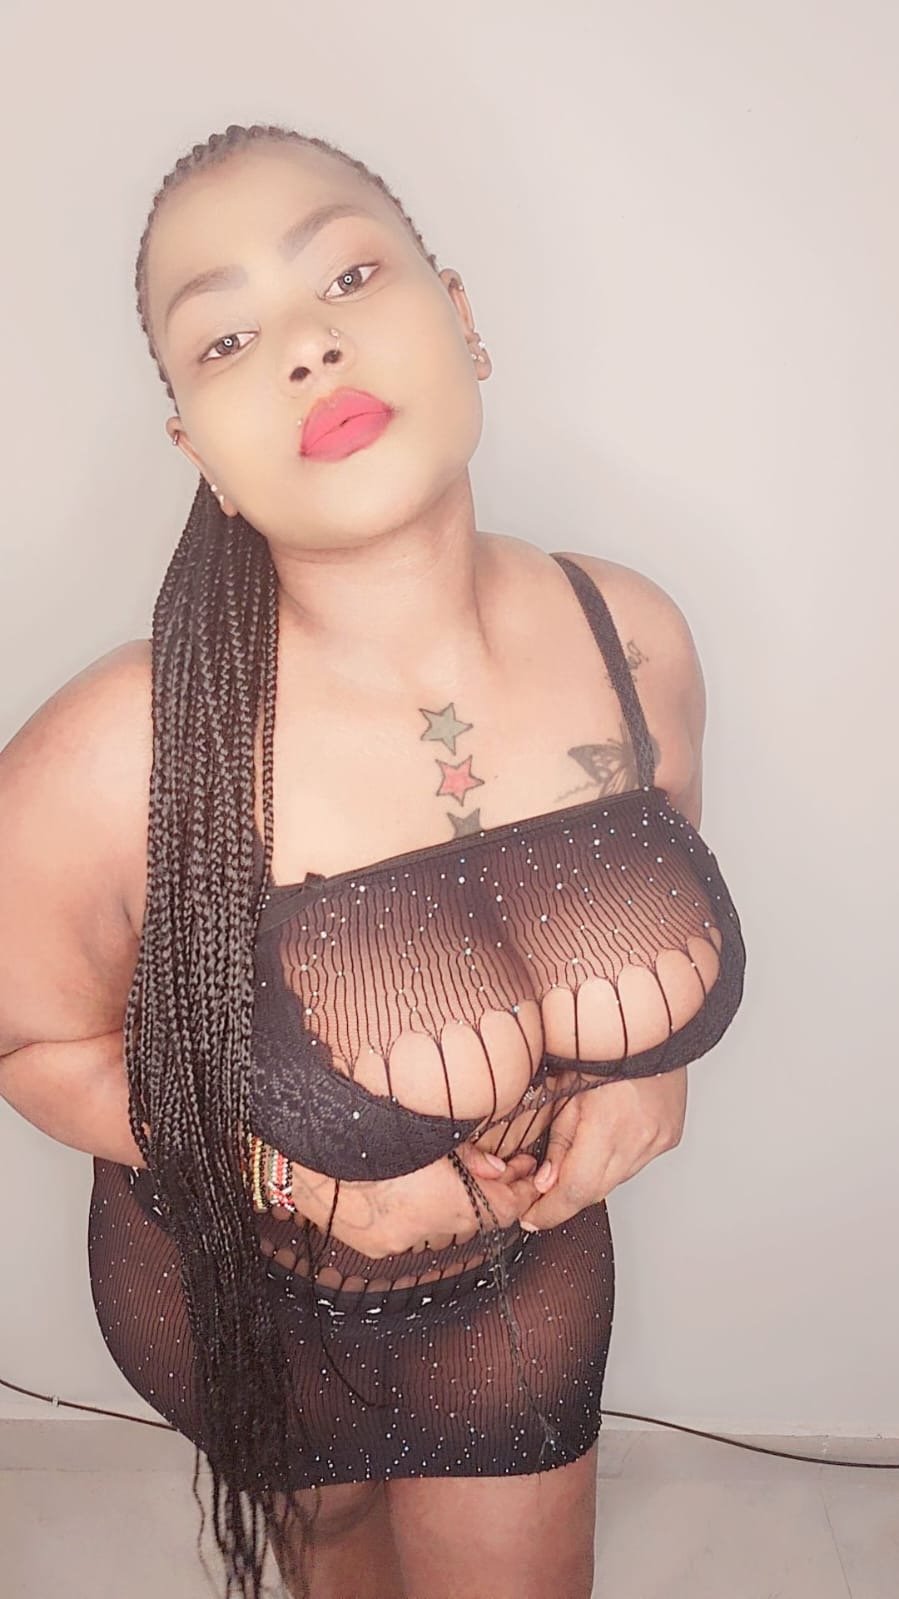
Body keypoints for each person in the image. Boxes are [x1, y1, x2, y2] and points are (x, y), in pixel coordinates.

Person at [0, 122, 746, 1599]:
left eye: (348, 274)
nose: (307, 347)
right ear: (198, 455)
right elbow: (34, 1046)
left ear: (459, 318)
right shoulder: (109, 755)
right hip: (247, 1298)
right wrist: (286, 1168)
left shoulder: (635, 638)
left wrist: (647, 1074)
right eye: (226, 340)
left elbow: (649, 888)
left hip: (518, 1280)